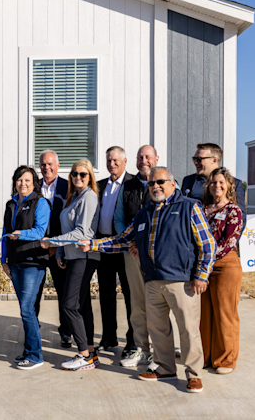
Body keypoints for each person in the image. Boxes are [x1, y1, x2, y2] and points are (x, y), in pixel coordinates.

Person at [80, 166, 216, 393]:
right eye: (152, 183)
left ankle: (193, 374)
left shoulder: (189, 207)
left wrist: (201, 275)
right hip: (152, 280)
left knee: (188, 329)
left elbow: (208, 244)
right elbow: (123, 239)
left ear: (173, 184)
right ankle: (165, 368)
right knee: (158, 328)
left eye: (161, 182)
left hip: (182, 281)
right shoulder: (144, 213)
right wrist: (93, 244)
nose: (156, 186)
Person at [41, 159, 100, 372]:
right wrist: (61, 251)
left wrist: (53, 242)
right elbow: (69, 227)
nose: (78, 177)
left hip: (84, 257)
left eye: (83, 174)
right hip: (73, 256)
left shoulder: (89, 197)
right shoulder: (74, 197)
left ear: (90, 177)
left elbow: (82, 233)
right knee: (82, 306)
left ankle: (84, 355)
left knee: (69, 304)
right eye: (74, 174)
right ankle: (91, 353)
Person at [0, 165, 50, 370]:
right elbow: (5, 232)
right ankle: (30, 349)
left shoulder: (41, 203)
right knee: (25, 310)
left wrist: (21, 234)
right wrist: (4, 259)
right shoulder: (10, 204)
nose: (23, 184)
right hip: (15, 262)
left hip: (33, 261)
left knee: (27, 309)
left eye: (27, 180)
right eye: (20, 180)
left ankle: (35, 355)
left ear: (34, 183)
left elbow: (40, 231)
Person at [200, 167, 244, 375]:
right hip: (202, 269)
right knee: (204, 314)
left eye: (221, 182)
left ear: (228, 186)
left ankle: (226, 360)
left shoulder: (234, 210)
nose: (217, 185)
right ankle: (205, 356)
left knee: (225, 314)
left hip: (225, 265)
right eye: (213, 182)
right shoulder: (201, 208)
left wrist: (207, 258)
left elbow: (229, 241)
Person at [119, 145, 158, 368]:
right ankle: (141, 349)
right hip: (132, 254)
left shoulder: (166, 183)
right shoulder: (128, 186)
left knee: (158, 303)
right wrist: (131, 243)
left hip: (157, 256)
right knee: (137, 304)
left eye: (148, 157)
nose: (144, 161)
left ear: (156, 159)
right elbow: (119, 219)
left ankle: (159, 351)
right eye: (140, 157)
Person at [95, 146, 136, 354]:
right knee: (106, 293)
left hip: (125, 246)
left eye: (115, 160)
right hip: (104, 245)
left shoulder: (132, 184)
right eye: (108, 160)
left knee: (130, 294)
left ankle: (132, 340)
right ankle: (109, 337)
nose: (111, 164)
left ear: (125, 161)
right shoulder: (100, 185)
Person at [34, 150, 71, 347]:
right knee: (34, 293)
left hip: (59, 249)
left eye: (49, 164)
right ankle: (33, 330)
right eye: (42, 164)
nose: (46, 168)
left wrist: (57, 245)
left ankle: (66, 331)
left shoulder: (67, 186)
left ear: (57, 165)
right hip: (37, 249)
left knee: (64, 292)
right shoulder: (34, 187)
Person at [181, 143, 246, 221]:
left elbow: (240, 219)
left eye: (199, 159)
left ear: (214, 160)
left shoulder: (234, 183)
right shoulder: (188, 181)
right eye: (194, 159)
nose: (195, 162)